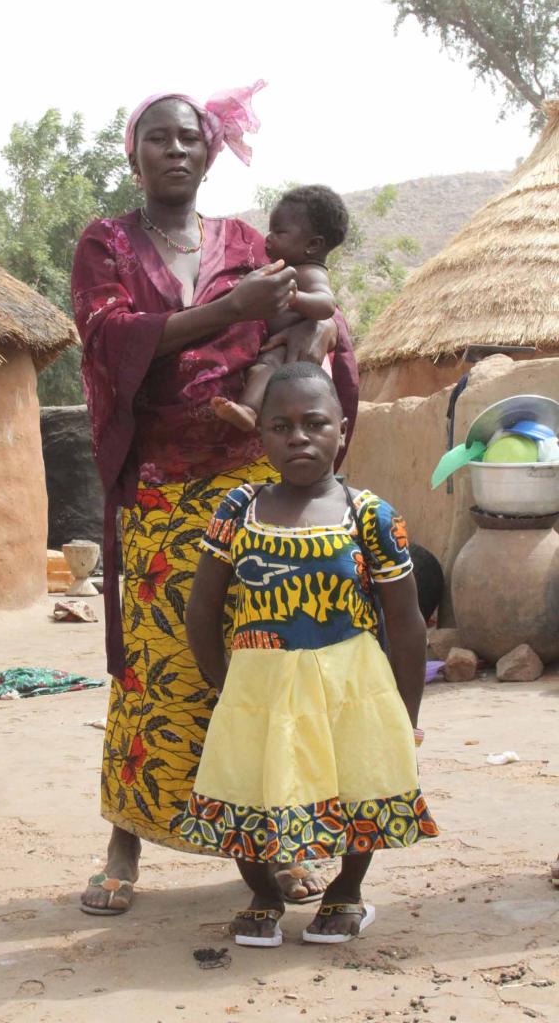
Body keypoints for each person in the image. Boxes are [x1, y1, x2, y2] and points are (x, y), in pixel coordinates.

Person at [71, 83, 359, 915]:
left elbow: (312, 324)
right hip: (161, 489)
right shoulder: (107, 242)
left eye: (189, 138)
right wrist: (228, 310)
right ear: (134, 152)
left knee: (263, 667)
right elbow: (107, 336)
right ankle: (125, 840)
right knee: (156, 669)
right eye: (157, 137)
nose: (175, 150)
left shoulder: (247, 239)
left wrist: (321, 328)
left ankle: (278, 841)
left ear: (211, 152)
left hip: (252, 489)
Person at [181, 362, 439, 946]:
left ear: (341, 429)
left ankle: (346, 893)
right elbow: (202, 611)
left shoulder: (370, 515)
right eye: (281, 425)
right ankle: (263, 894)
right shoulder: (237, 509)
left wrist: (407, 713)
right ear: (262, 436)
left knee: (360, 782)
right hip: (257, 683)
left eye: (314, 422)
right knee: (245, 784)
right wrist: (227, 686)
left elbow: (405, 622)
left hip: (353, 683)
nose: (298, 436)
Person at [210, 185, 348, 432]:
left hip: (289, 350)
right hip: (277, 346)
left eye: (279, 232)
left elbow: (326, 305)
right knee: (262, 368)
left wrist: (294, 298)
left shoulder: (310, 273)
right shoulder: (285, 268)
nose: (268, 238)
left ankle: (250, 410)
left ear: (313, 245)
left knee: (266, 367)